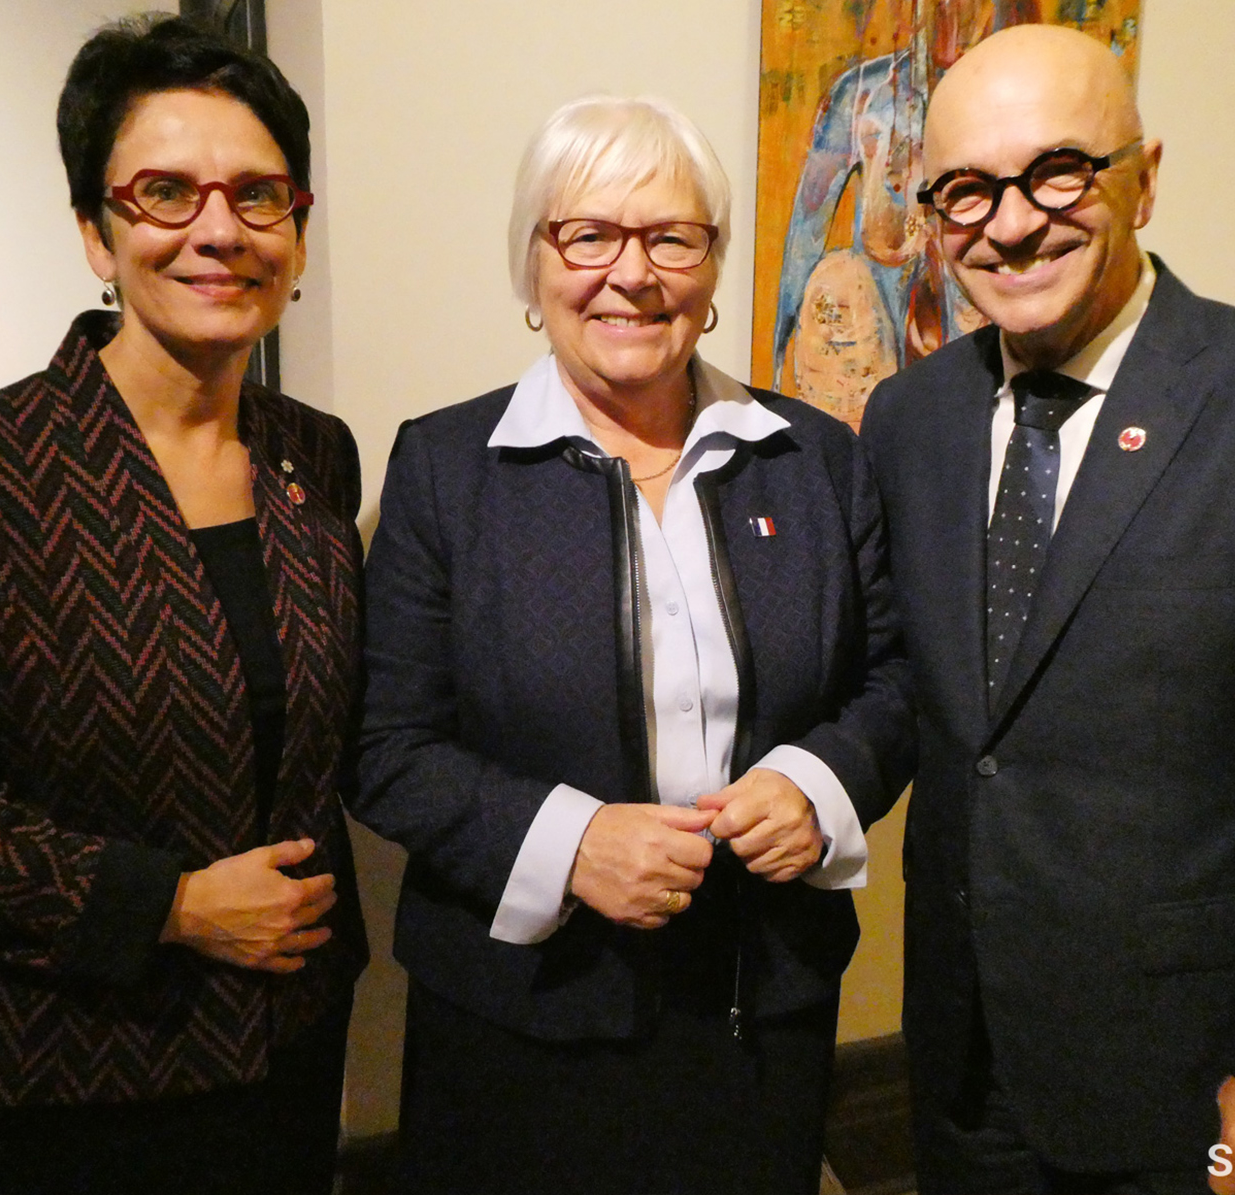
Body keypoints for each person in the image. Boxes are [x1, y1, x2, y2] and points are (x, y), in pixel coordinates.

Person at [860, 23, 1235, 1195]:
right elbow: (922, 704)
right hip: (961, 1052)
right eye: (966, 190)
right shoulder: (908, 418)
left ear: (1145, 175)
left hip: (1193, 1078)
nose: (1011, 222)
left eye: (1057, 170)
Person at [0, 16, 364, 1194]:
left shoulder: (314, 454)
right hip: (80, 1063)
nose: (218, 231)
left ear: (298, 226)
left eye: (257, 195)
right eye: (166, 193)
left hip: (290, 1040)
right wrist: (169, 905)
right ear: (96, 230)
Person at [352, 95, 914, 1195]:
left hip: (761, 999)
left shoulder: (812, 458)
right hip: (520, 1004)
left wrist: (817, 780)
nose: (631, 273)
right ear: (534, 262)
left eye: (671, 237)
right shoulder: (446, 468)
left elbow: (893, 679)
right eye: (588, 234)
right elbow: (383, 741)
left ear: (708, 274)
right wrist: (569, 842)